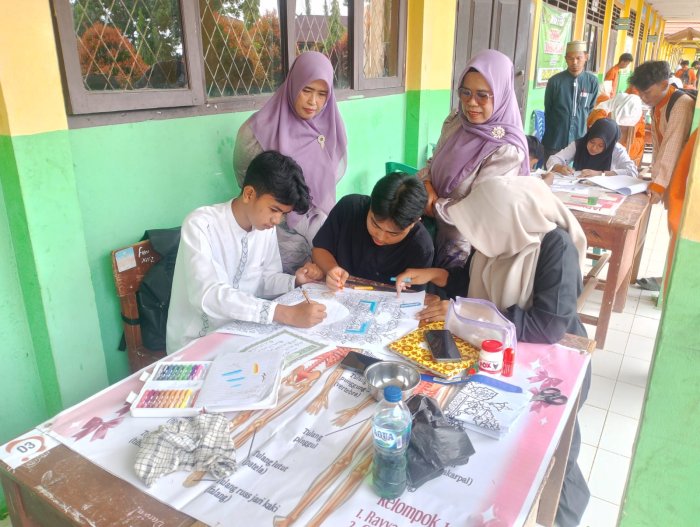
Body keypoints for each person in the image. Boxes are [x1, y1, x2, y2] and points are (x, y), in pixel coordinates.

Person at [395, 176, 591, 527]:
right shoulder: (496, 238)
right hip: (496, 356)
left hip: (548, 367)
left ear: (505, 217)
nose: (476, 237)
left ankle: (563, 517)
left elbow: (548, 325)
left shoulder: (554, 246)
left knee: (551, 455)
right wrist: (435, 275)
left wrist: (466, 315)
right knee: (492, 444)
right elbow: (470, 284)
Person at [166, 151, 327, 353]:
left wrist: (294, 281)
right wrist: (284, 313)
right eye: (274, 210)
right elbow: (207, 294)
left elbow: (262, 280)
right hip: (197, 342)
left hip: (243, 332)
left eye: (283, 214)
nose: (277, 220)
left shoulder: (264, 228)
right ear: (249, 194)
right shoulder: (201, 224)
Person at [233, 51, 348, 274]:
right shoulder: (256, 130)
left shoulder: (331, 127)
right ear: (294, 84)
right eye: (306, 90)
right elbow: (246, 178)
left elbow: (329, 181)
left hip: (318, 229)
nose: (313, 102)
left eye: (322, 94)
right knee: (278, 285)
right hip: (274, 229)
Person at [417, 49, 529, 268]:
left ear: (502, 93)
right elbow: (432, 163)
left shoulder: (506, 150)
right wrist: (427, 185)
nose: (471, 102)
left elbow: (480, 211)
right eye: (465, 92)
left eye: (482, 95)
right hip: (428, 235)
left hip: (466, 253)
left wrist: (433, 205)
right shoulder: (456, 122)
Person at [312, 172, 434, 291]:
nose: (380, 237)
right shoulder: (349, 209)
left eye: (393, 233)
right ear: (370, 205)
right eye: (375, 224)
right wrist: (331, 269)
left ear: (414, 223)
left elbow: (414, 293)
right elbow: (320, 248)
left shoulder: (421, 247)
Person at [629, 61, 694, 205]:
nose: (643, 98)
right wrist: (655, 179)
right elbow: (658, 147)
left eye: (647, 93)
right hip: (672, 176)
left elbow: (671, 147)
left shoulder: (681, 104)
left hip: (685, 178)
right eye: (640, 93)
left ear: (664, 84)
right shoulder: (657, 104)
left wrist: (659, 185)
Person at [542, 41, 600, 164]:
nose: (574, 62)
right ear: (565, 59)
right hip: (555, 139)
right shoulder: (555, 81)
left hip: (579, 139)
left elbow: (590, 108)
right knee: (551, 169)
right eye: (570, 58)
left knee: (575, 172)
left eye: (578, 58)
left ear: (586, 57)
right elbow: (549, 109)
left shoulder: (592, 82)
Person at [546, 118, 638, 178]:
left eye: (600, 145)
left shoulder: (616, 150)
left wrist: (600, 174)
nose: (594, 148)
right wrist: (559, 167)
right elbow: (553, 159)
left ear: (609, 144)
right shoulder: (579, 144)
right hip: (577, 187)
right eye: (592, 142)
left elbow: (632, 172)